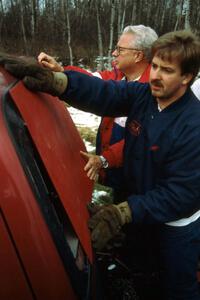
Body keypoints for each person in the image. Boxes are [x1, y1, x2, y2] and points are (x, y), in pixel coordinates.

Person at [1, 29, 200, 300]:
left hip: (175, 227)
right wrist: (58, 82)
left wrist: (122, 213)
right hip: (141, 206)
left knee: (177, 288)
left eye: (166, 70)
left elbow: (181, 195)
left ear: (187, 77)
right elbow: (105, 92)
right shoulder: (145, 96)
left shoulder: (193, 125)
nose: (155, 75)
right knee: (143, 274)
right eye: (154, 66)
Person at [38, 25, 158, 203]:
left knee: (134, 214)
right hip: (119, 173)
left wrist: (104, 159)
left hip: (141, 180)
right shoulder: (118, 76)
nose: (114, 53)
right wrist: (61, 72)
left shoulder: (155, 90)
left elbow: (141, 138)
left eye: (120, 49)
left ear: (138, 55)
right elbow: (91, 80)